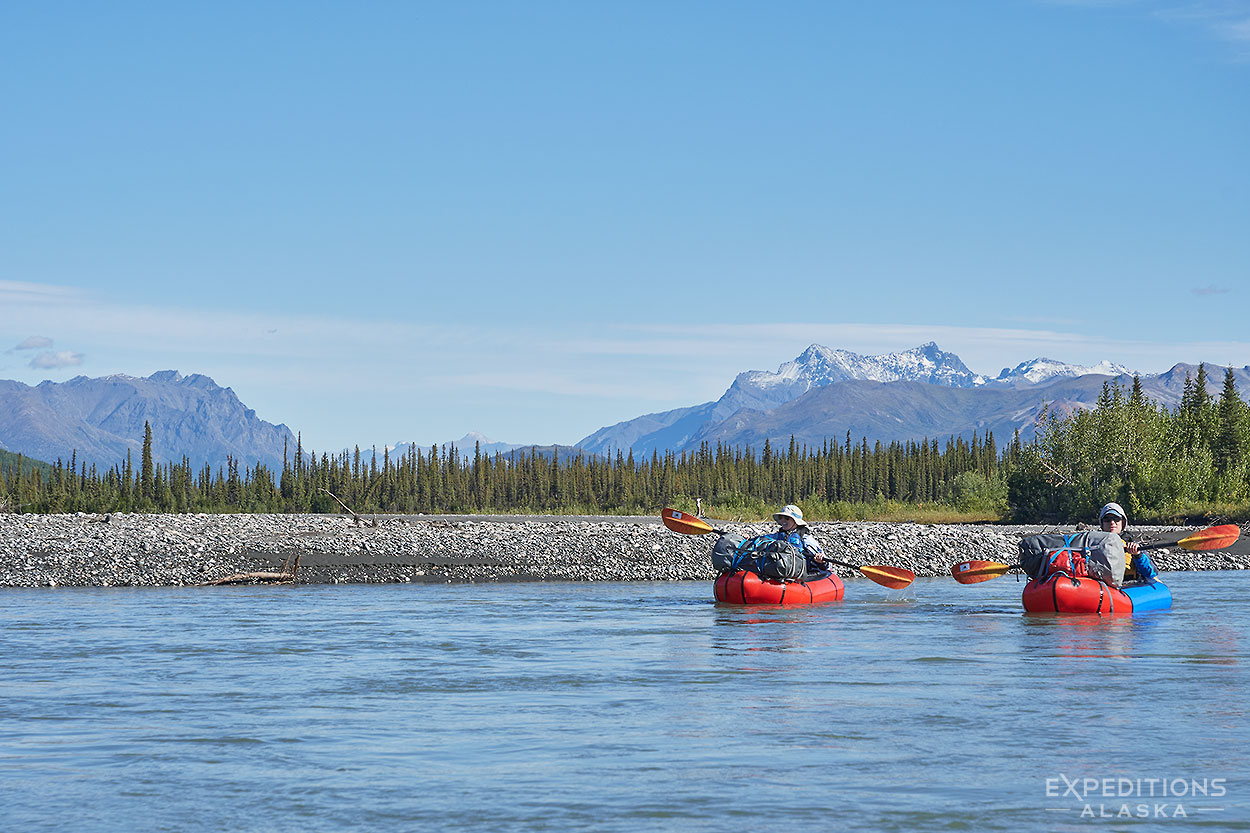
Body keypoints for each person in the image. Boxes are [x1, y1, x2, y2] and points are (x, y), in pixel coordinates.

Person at [1098, 502, 1159, 583]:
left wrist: (1138, 555)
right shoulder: (1094, 545)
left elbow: (1152, 573)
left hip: (1129, 586)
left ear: (1122, 522)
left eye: (1116, 519)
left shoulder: (1132, 544)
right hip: (1103, 587)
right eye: (1107, 519)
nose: (1112, 522)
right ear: (1102, 523)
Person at [770, 504, 830, 576]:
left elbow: (825, 563)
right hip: (780, 571)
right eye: (781, 517)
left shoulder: (805, 538)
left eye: (787, 518)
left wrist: (821, 561)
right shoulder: (777, 536)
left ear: (796, 521)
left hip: (801, 574)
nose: (783, 520)